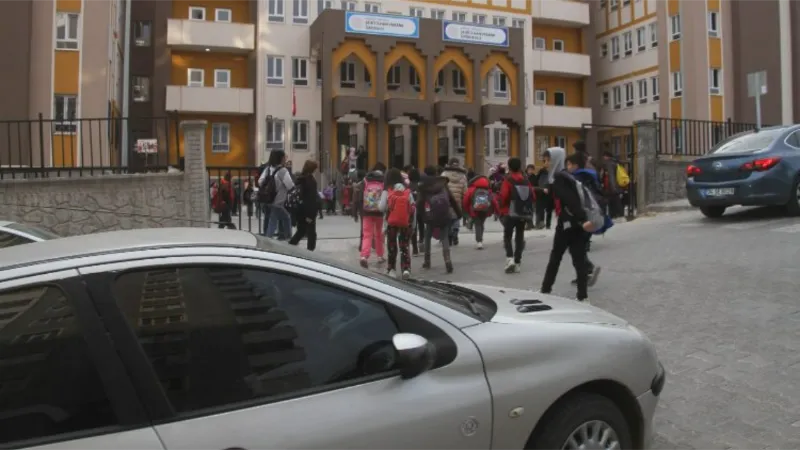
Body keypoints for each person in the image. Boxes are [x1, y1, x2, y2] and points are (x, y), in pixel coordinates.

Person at [539, 149, 596, 303]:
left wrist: (582, 219)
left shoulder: (559, 179)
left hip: (567, 225)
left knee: (556, 258)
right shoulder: (564, 176)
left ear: (556, 160)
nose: (545, 164)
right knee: (578, 258)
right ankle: (582, 296)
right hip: (574, 224)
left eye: (547, 160)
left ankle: (545, 290)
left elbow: (571, 201)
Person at [568, 150, 605, 287]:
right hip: (591, 213)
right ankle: (585, 272)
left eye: (569, 164)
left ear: (575, 165)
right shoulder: (589, 174)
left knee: (575, 247)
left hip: (583, 215)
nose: (568, 167)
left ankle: (587, 270)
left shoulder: (578, 178)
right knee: (578, 246)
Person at [417, 166, 462, 273]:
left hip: (430, 216)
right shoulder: (443, 184)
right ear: (436, 172)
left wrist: (423, 216)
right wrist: (459, 214)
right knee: (445, 237)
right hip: (444, 214)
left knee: (428, 237)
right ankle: (447, 261)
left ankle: (427, 261)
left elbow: (419, 203)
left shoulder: (423, 186)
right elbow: (452, 200)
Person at [497, 158, 535, 273]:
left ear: (509, 167)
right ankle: (518, 262)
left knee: (507, 236)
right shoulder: (525, 180)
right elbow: (533, 196)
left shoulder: (508, 180)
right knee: (519, 237)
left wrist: (500, 205)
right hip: (522, 212)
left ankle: (510, 259)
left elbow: (503, 197)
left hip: (509, 212)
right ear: (520, 167)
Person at [380, 168, 415, 279]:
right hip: (405, 222)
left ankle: (391, 269)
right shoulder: (406, 190)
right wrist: (412, 225)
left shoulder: (387, 190)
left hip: (391, 222)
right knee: (404, 245)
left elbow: (381, 208)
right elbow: (413, 207)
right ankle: (406, 269)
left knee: (392, 245)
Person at [258, 150, 294, 239]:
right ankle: (271, 238)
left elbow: (260, 182)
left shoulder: (268, 169)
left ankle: (287, 237)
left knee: (282, 218)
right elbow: (290, 186)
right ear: (281, 158)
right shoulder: (283, 171)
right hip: (278, 201)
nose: (286, 159)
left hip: (268, 200)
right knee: (275, 220)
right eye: (284, 157)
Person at [359, 163, 386, 268]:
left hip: (367, 211)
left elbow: (360, 194)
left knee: (367, 234)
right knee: (378, 234)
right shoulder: (383, 181)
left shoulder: (365, 180)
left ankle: (364, 256)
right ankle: (380, 256)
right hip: (379, 211)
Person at [288, 160, 320, 251]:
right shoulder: (310, 181)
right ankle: (310, 252)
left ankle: (290, 246)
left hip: (300, 210)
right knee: (311, 233)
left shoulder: (300, 179)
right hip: (308, 211)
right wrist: (310, 215)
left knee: (301, 231)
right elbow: (311, 199)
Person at [462, 173, 496, 250]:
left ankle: (479, 242)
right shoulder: (488, 190)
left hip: (474, 210)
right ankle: (481, 239)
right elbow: (494, 202)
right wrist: (496, 211)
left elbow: (465, 201)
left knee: (477, 224)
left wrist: (467, 211)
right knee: (481, 224)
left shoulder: (471, 189)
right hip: (485, 210)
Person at [440, 158, 468, 246]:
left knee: (448, 219)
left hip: (446, 200)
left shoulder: (444, 174)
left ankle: (449, 235)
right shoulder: (463, 176)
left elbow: (440, 188)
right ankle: (455, 231)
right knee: (456, 217)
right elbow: (465, 191)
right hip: (457, 200)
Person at [406, 167, 422, 256]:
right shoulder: (420, 185)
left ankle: (415, 248)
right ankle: (422, 241)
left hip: (411, 209)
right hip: (420, 208)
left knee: (413, 228)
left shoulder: (408, 186)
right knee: (421, 225)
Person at [535, 154, 553, 230]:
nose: (546, 162)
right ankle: (540, 223)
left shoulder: (554, 171)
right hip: (542, 192)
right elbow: (537, 181)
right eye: (545, 161)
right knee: (540, 208)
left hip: (551, 192)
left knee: (549, 209)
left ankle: (548, 224)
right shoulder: (541, 171)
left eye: (548, 161)